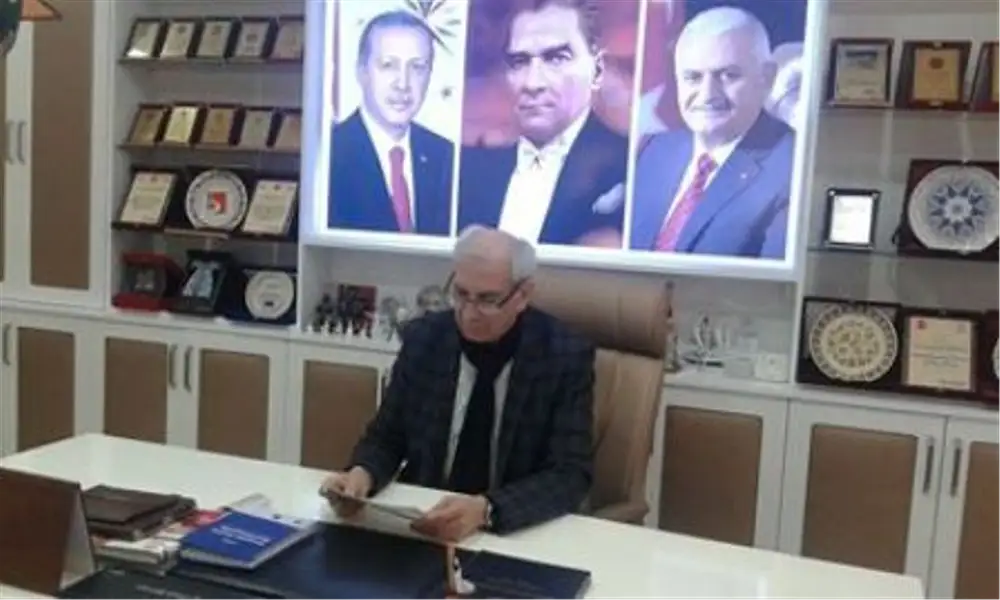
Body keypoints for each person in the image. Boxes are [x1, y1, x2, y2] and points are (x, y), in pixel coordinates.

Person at [321, 226, 595, 541]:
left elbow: (570, 475)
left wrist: (487, 509)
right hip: (427, 522)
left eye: (488, 300)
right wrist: (361, 475)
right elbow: (387, 437)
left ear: (523, 295)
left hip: (514, 532)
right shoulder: (425, 339)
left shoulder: (563, 355)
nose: (468, 314)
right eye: (461, 294)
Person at [457, 0, 629, 247]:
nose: (533, 83)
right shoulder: (470, 171)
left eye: (556, 59)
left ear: (597, 71)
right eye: (519, 62)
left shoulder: (629, 167)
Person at [629, 6, 795, 259]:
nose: (707, 95)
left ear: (766, 77)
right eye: (693, 77)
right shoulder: (656, 150)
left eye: (728, 75)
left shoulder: (793, 167)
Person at [328, 10, 454, 235]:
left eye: (417, 67)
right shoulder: (331, 153)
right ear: (361, 72)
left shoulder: (445, 155)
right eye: (388, 65)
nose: (403, 84)